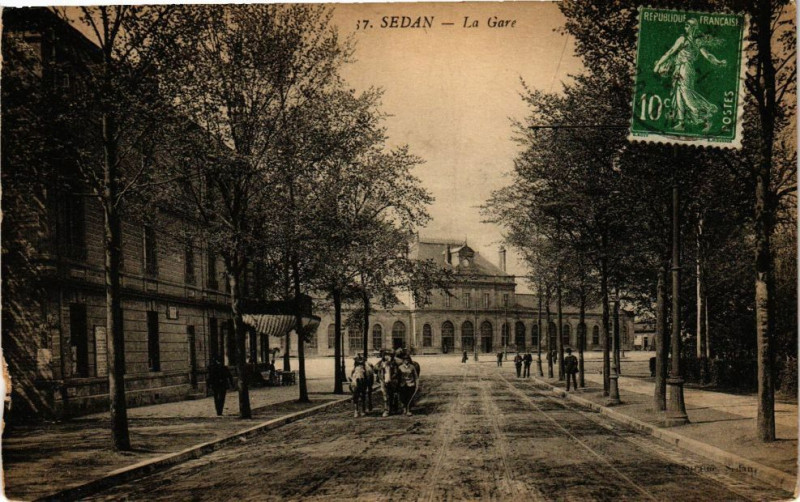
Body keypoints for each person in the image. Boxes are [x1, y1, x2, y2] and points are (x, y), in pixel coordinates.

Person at [653, 18, 727, 132]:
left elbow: (707, 55)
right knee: (678, 95)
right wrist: (659, 64)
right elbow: (671, 52)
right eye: (685, 25)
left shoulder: (691, 41)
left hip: (686, 69)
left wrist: (718, 62)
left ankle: (706, 118)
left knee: (686, 95)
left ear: (693, 27)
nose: (685, 27)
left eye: (688, 25)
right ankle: (681, 123)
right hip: (679, 69)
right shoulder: (686, 39)